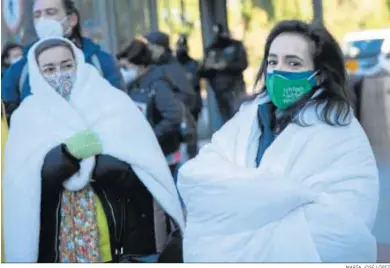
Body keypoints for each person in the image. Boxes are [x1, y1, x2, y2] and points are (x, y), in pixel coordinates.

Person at [177, 20, 379, 262]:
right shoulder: (247, 119)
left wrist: (241, 211)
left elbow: (344, 226)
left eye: (293, 63)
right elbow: (197, 179)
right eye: (273, 61)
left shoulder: (340, 132)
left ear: (320, 74)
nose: (279, 70)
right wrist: (274, 202)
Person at [3, 37, 184, 263]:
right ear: (37, 73)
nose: (60, 74)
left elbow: (146, 166)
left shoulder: (113, 101)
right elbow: (23, 184)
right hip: (57, 245)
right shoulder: (27, 116)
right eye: (49, 69)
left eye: (67, 65)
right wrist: (65, 157)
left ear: (79, 63)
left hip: (121, 239)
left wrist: (105, 164)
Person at [1, 0, 124, 122]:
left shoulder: (101, 62)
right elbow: (8, 120)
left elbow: (120, 112)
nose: (43, 20)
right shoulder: (20, 69)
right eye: (37, 15)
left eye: (51, 12)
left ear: (72, 20)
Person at [117, 39, 183, 177]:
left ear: (139, 64)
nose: (123, 72)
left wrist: (150, 136)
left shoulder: (158, 83)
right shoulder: (134, 84)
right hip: (146, 154)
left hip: (164, 154)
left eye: (125, 67)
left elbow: (174, 115)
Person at [199, 23, 248, 123]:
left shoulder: (236, 46)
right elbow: (201, 72)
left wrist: (226, 65)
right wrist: (211, 67)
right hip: (219, 91)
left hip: (235, 88)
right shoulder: (211, 49)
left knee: (239, 117)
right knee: (226, 121)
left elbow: (243, 63)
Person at [143, 31, 197, 113]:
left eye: (150, 45)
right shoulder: (155, 64)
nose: (147, 48)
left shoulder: (171, 67)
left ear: (160, 48)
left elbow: (187, 96)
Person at [176, 34, 202, 158]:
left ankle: (193, 158)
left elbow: (194, 82)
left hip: (192, 105)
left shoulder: (193, 64)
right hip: (178, 104)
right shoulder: (173, 65)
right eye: (179, 46)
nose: (181, 49)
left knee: (191, 134)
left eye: (183, 46)